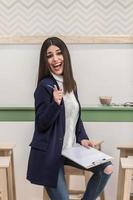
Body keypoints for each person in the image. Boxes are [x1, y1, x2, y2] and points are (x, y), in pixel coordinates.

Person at [27, 37, 113, 200]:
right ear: (45, 61)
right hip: (50, 155)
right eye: (50, 55)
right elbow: (41, 124)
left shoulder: (70, 85)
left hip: (70, 151)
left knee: (106, 169)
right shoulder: (44, 86)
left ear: (65, 56)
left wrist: (83, 138)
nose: (55, 59)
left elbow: (75, 118)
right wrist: (55, 104)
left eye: (59, 53)